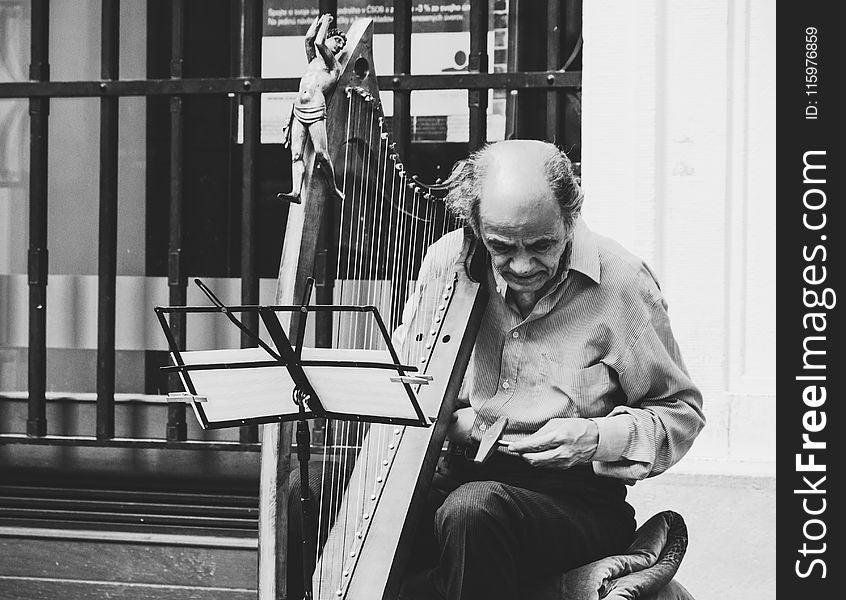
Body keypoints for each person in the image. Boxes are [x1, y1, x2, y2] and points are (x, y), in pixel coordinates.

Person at [396, 139, 706, 600]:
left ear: (570, 216)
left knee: (472, 512)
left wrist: (595, 438)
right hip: (455, 474)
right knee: (315, 489)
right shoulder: (450, 264)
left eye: (541, 245)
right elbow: (410, 385)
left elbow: (680, 414)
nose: (522, 265)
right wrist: (451, 423)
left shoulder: (622, 282)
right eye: (501, 247)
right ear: (476, 225)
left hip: (574, 500)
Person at [280, 13, 347, 203]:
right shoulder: (313, 61)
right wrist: (317, 22)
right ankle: (296, 191)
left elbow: (318, 43)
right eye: (338, 40)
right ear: (329, 37)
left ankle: (332, 187)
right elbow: (309, 39)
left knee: (321, 154)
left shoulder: (334, 66)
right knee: (296, 154)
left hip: (316, 108)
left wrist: (326, 23)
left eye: (342, 44)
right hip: (298, 108)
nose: (340, 46)